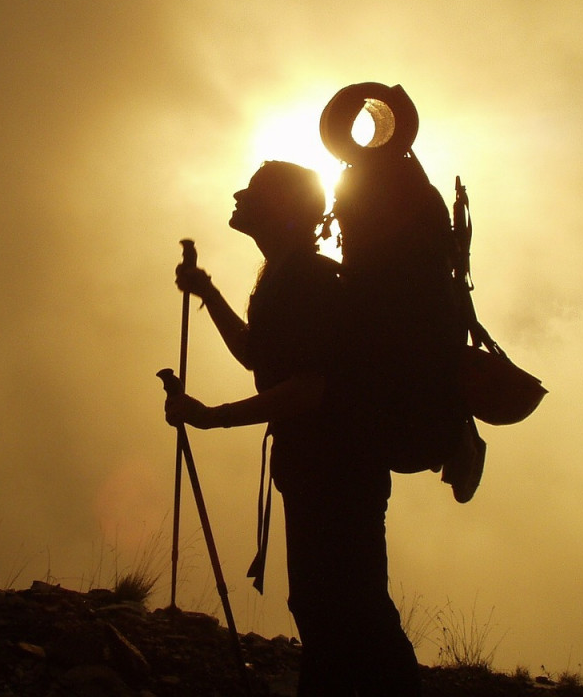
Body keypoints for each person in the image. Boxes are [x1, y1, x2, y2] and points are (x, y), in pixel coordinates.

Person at [163, 160, 422, 696]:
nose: (239, 195)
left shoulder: (307, 280)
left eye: (254, 191)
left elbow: (310, 387)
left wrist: (213, 417)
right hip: (321, 467)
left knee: (347, 605)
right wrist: (209, 293)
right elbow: (259, 355)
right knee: (328, 602)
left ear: (280, 207)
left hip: (338, 469)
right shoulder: (285, 276)